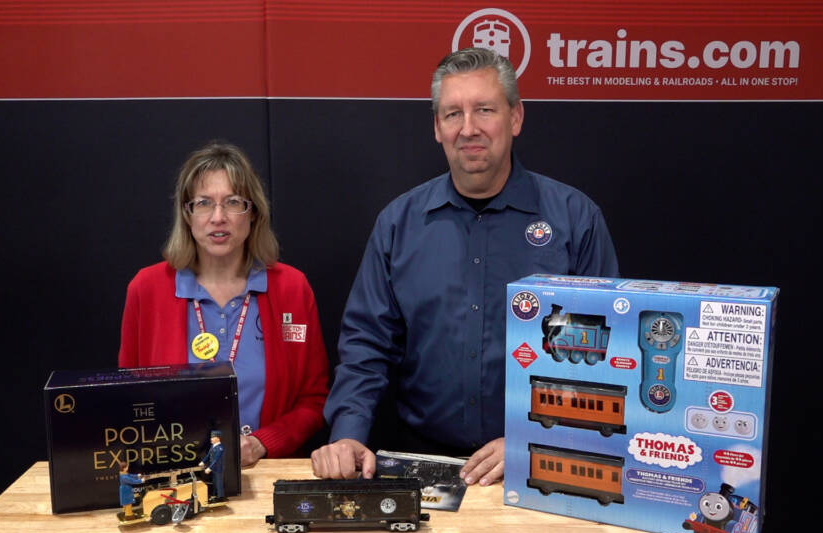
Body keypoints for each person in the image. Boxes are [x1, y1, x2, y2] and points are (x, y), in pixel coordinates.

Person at [311, 48, 618, 486]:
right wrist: (347, 435)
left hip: (541, 463)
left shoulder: (575, 219)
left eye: (485, 110)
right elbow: (366, 346)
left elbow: (600, 355)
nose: (468, 129)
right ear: (437, 127)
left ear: (515, 118)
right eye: (453, 113)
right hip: (421, 464)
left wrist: (533, 437)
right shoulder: (399, 224)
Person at [119, 141, 329, 467]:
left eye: (233, 202)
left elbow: (314, 400)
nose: (218, 217)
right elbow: (127, 398)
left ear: (254, 212)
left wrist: (261, 444)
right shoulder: (147, 289)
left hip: (265, 474)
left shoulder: (292, 289)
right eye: (203, 203)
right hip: (172, 476)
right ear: (186, 215)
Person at [201, 430, 226, 502]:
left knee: (219, 482)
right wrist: (203, 461)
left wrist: (209, 468)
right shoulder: (212, 446)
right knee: (214, 482)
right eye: (211, 437)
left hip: (218, 468)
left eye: (213, 437)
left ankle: (220, 496)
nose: (211, 439)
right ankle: (215, 495)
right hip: (213, 468)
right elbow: (208, 455)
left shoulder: (220, 448)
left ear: (218, 438)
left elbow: (216, 460)